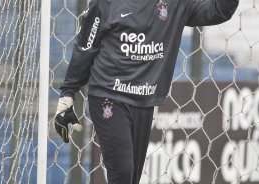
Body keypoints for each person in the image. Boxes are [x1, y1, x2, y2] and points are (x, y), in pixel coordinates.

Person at [54, 0, 239, 183]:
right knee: (123, 172)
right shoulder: (106, 4)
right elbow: (86, 46)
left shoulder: (175, 4)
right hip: (108, 95)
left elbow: (218, 11)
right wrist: (68, 93)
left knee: (132, 176)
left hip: (144, 101)